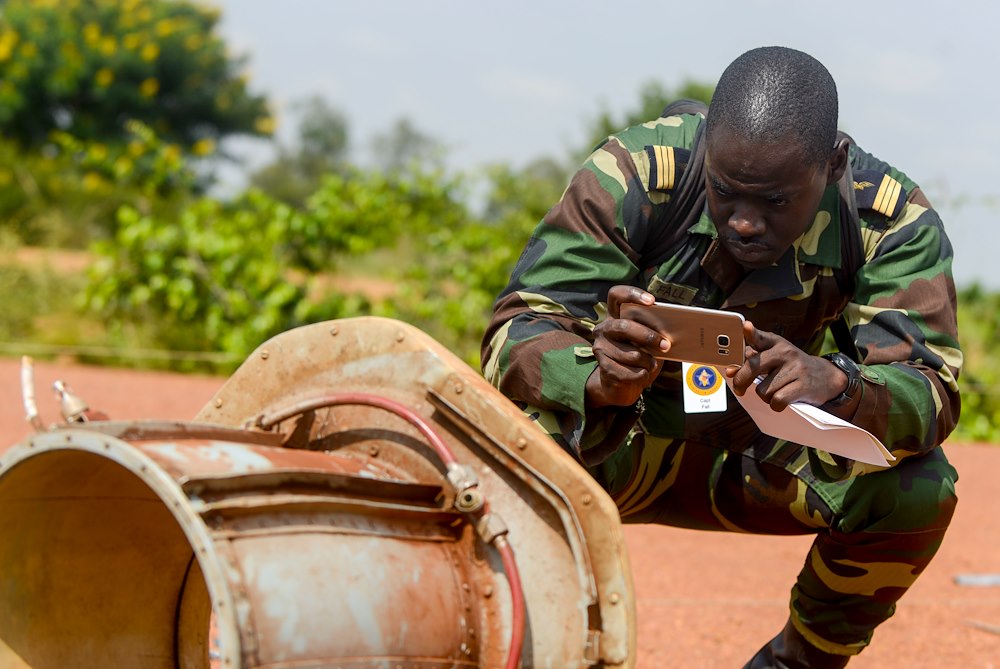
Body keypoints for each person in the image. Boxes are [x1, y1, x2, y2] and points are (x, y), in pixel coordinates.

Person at [481, 46, 961, 669]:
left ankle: (796, 662)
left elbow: (932, 391)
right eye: (726, 192)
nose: (744, 223)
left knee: (917, 488)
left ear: (834, 164)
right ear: (707, 150)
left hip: (767, 455)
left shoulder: (886, 219)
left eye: (775, 202)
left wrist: (838, 384)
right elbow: (515, 328)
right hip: (616, 440)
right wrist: (596, 380)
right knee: (498, 451)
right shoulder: (640, 172)